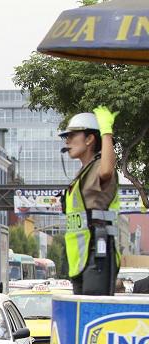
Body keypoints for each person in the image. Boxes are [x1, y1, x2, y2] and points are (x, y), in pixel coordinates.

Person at [60, 106, 120, 296]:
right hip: (80, 258)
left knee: (93, 316)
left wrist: (107, 132)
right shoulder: (81, 174)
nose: (67, 141)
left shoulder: (98, 167)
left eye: (72, 135)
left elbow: (106, 171)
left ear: (89, 139)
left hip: (98, 254)